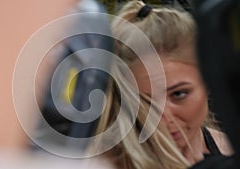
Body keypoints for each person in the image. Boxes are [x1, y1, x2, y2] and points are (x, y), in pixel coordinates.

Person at [92, 1, 233, 169]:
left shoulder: (230, 150)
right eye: (143, 102)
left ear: (208, 80)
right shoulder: (102, 163)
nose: (162, 117)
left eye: (178, 94)